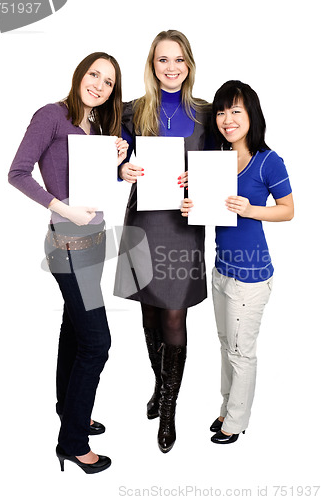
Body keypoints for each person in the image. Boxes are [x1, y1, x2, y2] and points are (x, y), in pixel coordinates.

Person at [8, 52, 128, 472]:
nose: (99, 84)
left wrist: (119, 167)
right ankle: (73, 442)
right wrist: (64, 208)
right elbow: (18, 173)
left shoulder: (97, 126)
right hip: (67, 242)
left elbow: (93, 181)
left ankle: (70, 411)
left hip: (93, 240)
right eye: (94, 74)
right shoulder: (51, 116)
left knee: (75, 332)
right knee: (98, 344)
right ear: (80, 74)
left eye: (109, 82)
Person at [114, 30, 214, 453]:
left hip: (184, 224)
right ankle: (159, 386)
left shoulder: (208, 113)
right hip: (143, 219)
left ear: (189, 64)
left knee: (174, 315)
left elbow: (223, 167)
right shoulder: (132, 111)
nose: (170, 68)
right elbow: (110, 162)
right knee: (151, 314)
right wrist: (122, 170)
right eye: (162, 60)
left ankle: (168, 410)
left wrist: (204, 183)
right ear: (152, 66)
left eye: (178, 60)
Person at [181, 80, 294, 444]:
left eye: (236, 111)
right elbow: (209, 210)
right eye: (221, 112)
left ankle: (236, 421)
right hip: (221, 269)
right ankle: (227, 407)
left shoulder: (268, 161)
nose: (227, 119)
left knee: (241, 352)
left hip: (251, 276)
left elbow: (288, 211)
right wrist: (189, 201)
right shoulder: (217, 160)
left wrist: (252, 210)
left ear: (251, 115)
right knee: (224, 343)